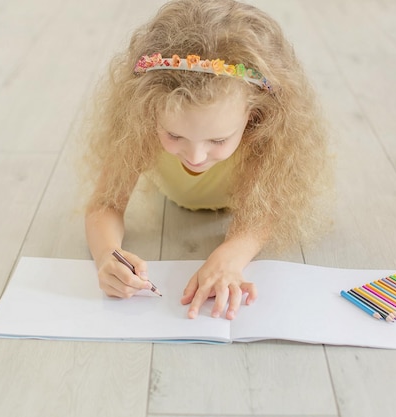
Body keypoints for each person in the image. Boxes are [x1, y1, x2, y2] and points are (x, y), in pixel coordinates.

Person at [83, 0, 331, 320]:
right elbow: (105, 203)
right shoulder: (140, 126)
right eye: (174, 136)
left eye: (217, 140)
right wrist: (106, 255)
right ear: (148, 110)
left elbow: (269, 208)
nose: (196, 157)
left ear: (255, 115)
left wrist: (231, 255)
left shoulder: (266, 136)